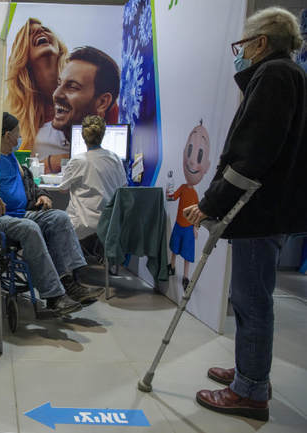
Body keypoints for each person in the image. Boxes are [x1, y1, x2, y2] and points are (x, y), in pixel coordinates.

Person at [183, 7, 306, 422]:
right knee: (252, 297)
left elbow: (250, 154)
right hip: (272, 208)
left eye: (244, 44)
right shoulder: (291, 75)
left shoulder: (273, 76)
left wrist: (210, 203)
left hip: (258, 210)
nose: (241, 53)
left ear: (261, 42)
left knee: (250, 300)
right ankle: (250, 372)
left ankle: (250, 390)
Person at [0, 113, 105, 316]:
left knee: (59, 217)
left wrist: (42, 195)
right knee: (30, 228)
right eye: (18, 132)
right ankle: (53, 297)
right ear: (8, 135)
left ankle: (70, 282)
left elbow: (29, 184)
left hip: (22, 214)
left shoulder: (13, 159)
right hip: (0, 220)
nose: (20, 136)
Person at [41, 46, 121, 173]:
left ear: (102, 102)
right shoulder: (42, 138)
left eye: (72, 87)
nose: (56, 94)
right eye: (59, 84)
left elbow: (66, 183)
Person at [58, 115, 127, 260]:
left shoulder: (78, 161)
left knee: (55, 221)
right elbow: (123, 187)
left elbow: (63, 189)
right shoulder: (115, 159)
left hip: (83, 223)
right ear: (103, 135)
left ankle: (67, 266)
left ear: (83, 136)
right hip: (109, 223)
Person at [6, 18, 68, 154]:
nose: (40, 31)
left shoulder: (89, 91)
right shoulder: (17, 119)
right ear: (23, 53)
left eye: (45, 29)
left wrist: (53, 162)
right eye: (30, 33)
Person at [167, 121, 211, 289]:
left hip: (187, 228)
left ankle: (185, 277)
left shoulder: (195, 195)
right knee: (174, 248)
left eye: (199, 155)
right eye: (190, 151)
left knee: (186, 253)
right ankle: (172, 267)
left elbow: (198, 213)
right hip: (179, 225)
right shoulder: (183, 188)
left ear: (206, 166)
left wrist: (196, 228)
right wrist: (169, 194)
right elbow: (173, 197)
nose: (192, 162)